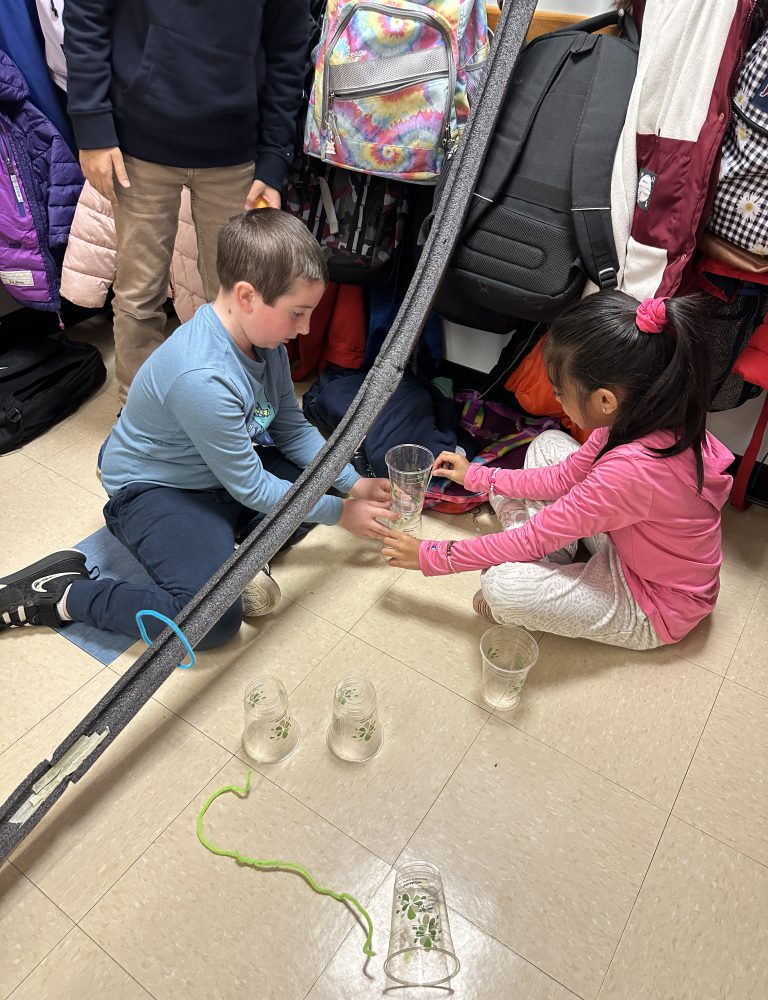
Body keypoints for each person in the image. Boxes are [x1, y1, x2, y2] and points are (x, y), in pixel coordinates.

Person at [0, 210, 394, 648]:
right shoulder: (202, 378)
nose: (303, 329)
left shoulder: (266, 343)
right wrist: (341, 513)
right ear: (246, 295)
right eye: (297, 314)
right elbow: (250, 487)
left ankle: (233, 555)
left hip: (218, 473)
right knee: (212, 622)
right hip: (156, 489)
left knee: (312, 494)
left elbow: (291, 428)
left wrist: (353, 485)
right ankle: (62, 594)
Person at [382, 291, 734, 650]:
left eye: (561, 393)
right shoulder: (642, 419)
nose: (559, 401)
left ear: (605, 400)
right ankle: (551, 553)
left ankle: (541, 559)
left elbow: (536, 535)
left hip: (654, 603)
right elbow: (562, 478)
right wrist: (474, 475)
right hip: (626, 538)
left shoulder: (631, 472)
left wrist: (432, 555)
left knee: (501, 586)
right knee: (547, 444)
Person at [62, 0, 309, 405]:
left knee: (240, 299)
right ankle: (140, 422)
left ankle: (232, 416)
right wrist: (92, 127)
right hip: (138, 143)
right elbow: (86, 15)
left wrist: (273, 158)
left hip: (237, 152)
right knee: (139, 295)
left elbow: (289, 49)